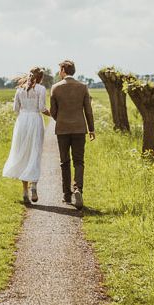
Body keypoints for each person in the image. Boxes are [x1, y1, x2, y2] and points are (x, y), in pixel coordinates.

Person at [50, 59, 95, 209]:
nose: (59, 72)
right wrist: (91, 129)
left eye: (59, 70)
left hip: (62, 130)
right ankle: (78, 189)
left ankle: (67, 196)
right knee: (79, 161)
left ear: (63, 70)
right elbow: (88, 110)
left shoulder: (55, 88)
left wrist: (61, 119)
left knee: (64, 162)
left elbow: (53, 112)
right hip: (79, 129)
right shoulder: (83, 87)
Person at [2, 67, 49, 204]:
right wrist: (53, 114)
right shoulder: (41, 89)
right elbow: (42, 108)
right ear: (41, 78)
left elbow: (15, 109)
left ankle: (24, 191)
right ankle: (34, 186)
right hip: (35, 120)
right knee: (35, 152)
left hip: (22, 122)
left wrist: (24, 113)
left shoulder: (19, 90)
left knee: (23, 154)